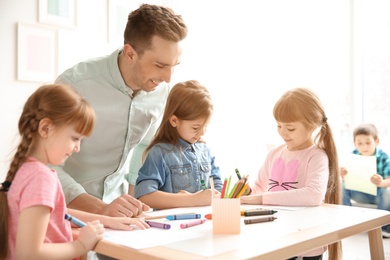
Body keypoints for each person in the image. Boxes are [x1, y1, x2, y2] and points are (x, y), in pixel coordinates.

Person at [53, 4, 188, 217]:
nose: (168, 78)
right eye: (160, 65)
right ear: (130, 53)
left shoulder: (160, 90)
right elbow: (43, 163)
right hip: (64, 213)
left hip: (117, 216)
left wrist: (135, 198)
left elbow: (143, 144)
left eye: (174, 65)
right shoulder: (75, 85)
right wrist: (99, 208)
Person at [0, 84, 148, 260]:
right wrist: (81, 246)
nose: (77, 148)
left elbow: (58, 213)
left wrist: (106, 220)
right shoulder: (40, 178)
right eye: (75, 138)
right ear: (45, 128)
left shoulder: (27, 170)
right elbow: (29, 254)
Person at [240, 88, 341, 260]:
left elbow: (313, 195)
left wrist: (261, 198)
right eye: (279, 126)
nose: (282, 133)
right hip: (277, 238)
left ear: (312, 125)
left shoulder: (316, 156)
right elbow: (259, 188)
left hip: (307, 244)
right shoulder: (274, 153)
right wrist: (246, 192)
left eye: (290, 128)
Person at [134, 80, 223, 209]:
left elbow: (218, 188)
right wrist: (193, 200)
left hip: (203, 221)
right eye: (196, 127)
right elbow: (145, 196)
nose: (202, 132)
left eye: (205, 126)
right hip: (173, 225)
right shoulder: (159, 153)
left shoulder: (205, 150)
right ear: (174, 120)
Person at [341, 123, 390, 237]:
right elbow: (347, 180)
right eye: (360, 143)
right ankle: (346, 221)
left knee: (388, 191)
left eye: (368, 143)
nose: (364, 147)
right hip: (360, 193)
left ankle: (383, 227)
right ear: (355, 144)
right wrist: (343, 175)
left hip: (378, 195)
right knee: (341, 185)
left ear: (376, 141)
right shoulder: (353, 155)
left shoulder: (383, 157)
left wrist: (381, 183)